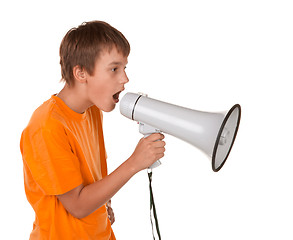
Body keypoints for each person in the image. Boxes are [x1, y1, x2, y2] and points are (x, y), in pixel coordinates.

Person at [20, 20, 166, 240]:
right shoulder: (46, 127)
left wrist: (102, 205)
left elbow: (89, 180)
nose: (125, 79)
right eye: (114, 69)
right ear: (81, 73)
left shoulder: (91, 111)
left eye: (124, 68)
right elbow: (78, 206)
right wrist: (135, 162)